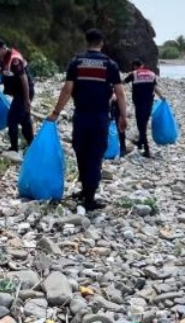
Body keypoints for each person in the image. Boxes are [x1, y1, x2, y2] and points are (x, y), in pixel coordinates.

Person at [48, 29, 128, 211]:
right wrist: (123, 116)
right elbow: (120, 93)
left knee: (81, 152)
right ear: (102, 43)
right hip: (100, 116)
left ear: (87, 42)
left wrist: (56, 112)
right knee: (95, 155)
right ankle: (89, 197)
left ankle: (86, 190)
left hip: (81, 116)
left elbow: (67, 90)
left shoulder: (76, 62)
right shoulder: (110, 64)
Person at [0, 39, 34, 152]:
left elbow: (24, 80)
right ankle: (32, 145)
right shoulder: (5, 59)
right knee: (24, 119)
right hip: (19, 93)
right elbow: (3, 71)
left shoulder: (14, 59)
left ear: (3, 48)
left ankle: (14, 148)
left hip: (24, 92)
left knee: (12, 119)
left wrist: (27, 100)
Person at [122, 59, 163, 158]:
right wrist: (162, 97)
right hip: (149, 103)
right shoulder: (151, 74)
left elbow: (122, 82)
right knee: (144, 124)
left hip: (139, 103)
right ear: (142, 65)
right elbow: (155, 88)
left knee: (141, 126)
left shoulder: (134, 74)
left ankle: (147, 150)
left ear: (135, 66)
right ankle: (140, 143)